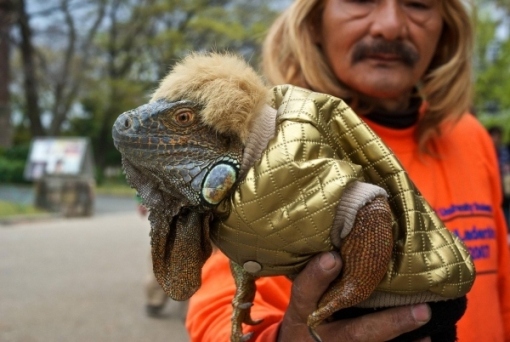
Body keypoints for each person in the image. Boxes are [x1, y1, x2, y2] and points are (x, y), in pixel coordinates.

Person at [185, 0, 510, 341]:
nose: (390, 25)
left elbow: (501, 292)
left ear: (445, 28)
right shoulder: (262, 144)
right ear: (313, 23)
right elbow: (217, 314)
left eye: (418, 4)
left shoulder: (470, 135)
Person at [488, 125, 510, 230]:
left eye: (499, 137)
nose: (497, 140)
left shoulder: (505, 152)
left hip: (506, 192)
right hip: (492, 193)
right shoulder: (486, 153)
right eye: (494, 136)